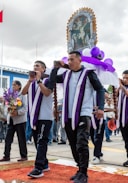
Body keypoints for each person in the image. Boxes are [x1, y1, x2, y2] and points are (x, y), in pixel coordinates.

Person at [49, 51, 105, 183]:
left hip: (83, 114)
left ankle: (84, 173)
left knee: (81, 143)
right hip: (68, 115)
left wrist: (101, 107)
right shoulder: (66, 75)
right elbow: (52, 81)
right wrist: (55, 68)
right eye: (68, 60)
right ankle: (80, 169)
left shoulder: (89, 74)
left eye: (72, 59)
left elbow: (100, 89)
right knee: (73, 144)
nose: (69, 62)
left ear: (79, 60)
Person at [22, 60, 53, 178]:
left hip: (45, 117)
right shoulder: (31, 82)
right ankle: (44, 163)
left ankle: (38, 167)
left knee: (42, 142)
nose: (35, 67)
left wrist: (39, 80)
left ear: (43, 69)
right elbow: (23, 92)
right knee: (37, 141)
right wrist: (30, 81)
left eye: (37, 66)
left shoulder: (48, 80)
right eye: (34, 66)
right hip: (34, 117)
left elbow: (47, 93)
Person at [0, 80, 28, 162]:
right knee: (8, 139)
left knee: (21, 139)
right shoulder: (10, 96)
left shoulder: (22, 95)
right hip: (11, 120)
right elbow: (6, 107)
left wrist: (17, 112)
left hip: (20, 120)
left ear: (19, 86)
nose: (13, 86)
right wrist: (8, 110)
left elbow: (25, 108)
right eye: (12, 85)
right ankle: (6, 155)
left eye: (15, 85)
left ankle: (24, 156)